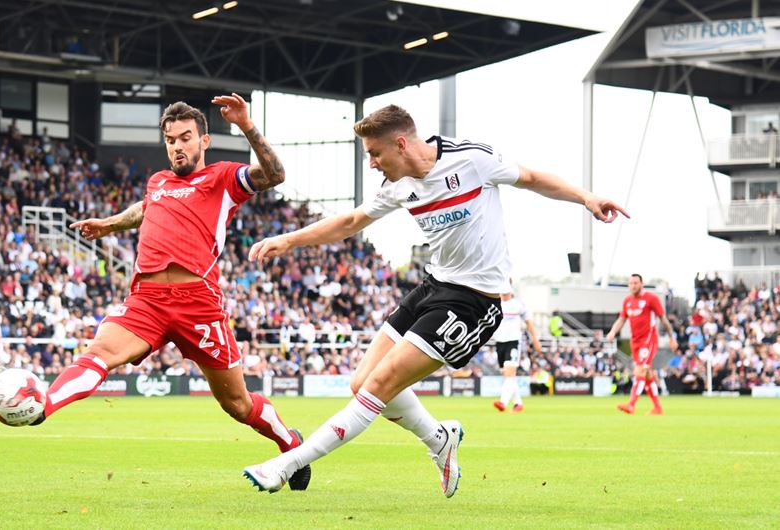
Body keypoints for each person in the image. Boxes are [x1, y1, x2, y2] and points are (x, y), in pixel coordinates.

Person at [242, 104, 627, 495]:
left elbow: (530, 177)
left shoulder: (472, 160)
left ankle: (287, 464)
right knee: (361, 382)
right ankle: (439, 439)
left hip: (473, 301)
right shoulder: (398, 187)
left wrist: (586, 197)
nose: (372, 164)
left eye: (375, 153)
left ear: (401, 142)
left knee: (380, 383)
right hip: (433, 287)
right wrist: (289, 239)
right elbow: (351, 222)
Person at [32, 94, 311, 490]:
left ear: (204, 141)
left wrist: (247, 126)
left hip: (198, 303)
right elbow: (145, 208)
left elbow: (274, 174)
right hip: (146, 302)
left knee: (236, 404)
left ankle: (291, 443)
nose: (177, 146)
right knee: (98, 353)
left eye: (185, 138)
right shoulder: (158, 182)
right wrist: (109, 225)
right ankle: (42, 405)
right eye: (170, 140)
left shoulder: (223, 179)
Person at [606, 273, 678, 415]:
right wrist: (613, 332)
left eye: (635, 283)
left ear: (641, 284)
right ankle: (657, 407)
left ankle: (631, 405)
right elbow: (621, 320)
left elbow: (663, 320)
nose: (633, 286)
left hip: (649, 340)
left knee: (639, 370)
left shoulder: (651, 299)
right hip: (635, 342)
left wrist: (671, 337)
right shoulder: (627, 301)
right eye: (630, 283)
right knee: (647, 374)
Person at [491, 289, 541, 412]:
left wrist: (535, 340)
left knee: (509, 373)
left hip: (513, 341)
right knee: (507, 375)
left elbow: (529, 322)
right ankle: (518, 403)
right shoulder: (495, 303)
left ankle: (503, 402)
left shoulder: (518, 304)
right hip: (499, 342)